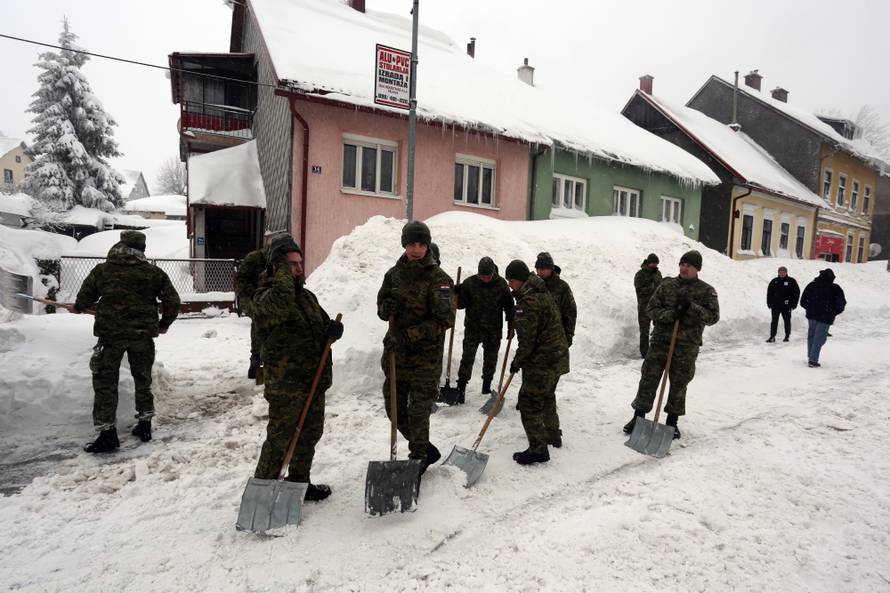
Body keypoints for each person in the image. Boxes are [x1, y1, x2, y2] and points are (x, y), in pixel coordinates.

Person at [250, 236, 343, 501]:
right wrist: (281, 274)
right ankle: (262, 495)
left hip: (313, 381)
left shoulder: (307, 297)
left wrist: (332, 331)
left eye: (300, 262)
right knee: (280, 440)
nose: (300, 268)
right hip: (287, 386)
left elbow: (320, 327)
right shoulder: (265, 298)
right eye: (291, 264)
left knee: (309, 435)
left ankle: (299, 484)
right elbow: (280, 304)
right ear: (277, 267)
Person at [74, 230, 181, 453]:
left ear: (120, 245)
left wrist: (79, 306)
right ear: (142, 249)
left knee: (105, 383)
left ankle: (107, 434)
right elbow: (173, 300)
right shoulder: (153, 273)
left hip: (110, 336)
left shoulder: (103, 270)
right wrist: (164, 323)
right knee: (143, 380)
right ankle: (145, 425)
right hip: (142, 336)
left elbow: (85, 297)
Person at [376, 221, 455, 472]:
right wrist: (385, 308)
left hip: (425, 360)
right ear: (404, 244)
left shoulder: (439, 279)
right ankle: (424, 447)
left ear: (427, 246)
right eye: (411, 244)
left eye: (421, 244)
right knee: (394, 410)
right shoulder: (393, 275)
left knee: (419, 413)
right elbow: (381, 307)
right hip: (397, 357)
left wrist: (408, 335)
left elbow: (444, 320)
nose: (416, 249)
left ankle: (419, 456)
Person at [623, 250, 719, 439]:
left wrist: (692, 307)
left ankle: (672, 423)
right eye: (682, 264)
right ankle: (638, 417)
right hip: (660, 342)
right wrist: (671, 314)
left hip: (686, 346)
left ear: (697, 268)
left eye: (689, 265)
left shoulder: (706, 291)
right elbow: (651, 309)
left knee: (679, 384)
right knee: (648, 378)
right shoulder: (666, 285)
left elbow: (713, 317)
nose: (684, 268)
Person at [505, 259, 569, 464]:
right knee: (547, 394)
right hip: (556, 355)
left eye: (511, 280)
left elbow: (527, 342)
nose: (509, 285)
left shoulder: (528, 302)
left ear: (520, 280)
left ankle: (538, 448)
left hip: (543, 359)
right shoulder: (541, 291)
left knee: (528, 401)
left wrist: (517, 361)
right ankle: (552, 434)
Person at [456, 256, 515, 399]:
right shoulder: (469, 283)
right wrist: (456, 294)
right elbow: (460, 305)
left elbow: (509, 305)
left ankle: (486, 386)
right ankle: (461, 388)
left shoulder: (501, 284)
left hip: (493, 330)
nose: (486, 279)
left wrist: (511, 325)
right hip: (473, 328)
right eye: (483, 276)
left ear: (493, 273)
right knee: (467, 358)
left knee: (491, 358)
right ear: (478, 274)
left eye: (488, 276)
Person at [800, 269, 846, 368]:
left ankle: (811, 356)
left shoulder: (811, 285)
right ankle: (813, 360)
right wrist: (833, 312)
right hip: (825, 317)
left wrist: (810, 308)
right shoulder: (835, 288)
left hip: (812, 315)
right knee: (820, 338)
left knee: (812, 336)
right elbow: (841, 304)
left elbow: (803, 301)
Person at [634, 253, 662, 357]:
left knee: (659, 329)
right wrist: (653, 287)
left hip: (657, 306)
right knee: (644, 331)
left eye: (656, 264)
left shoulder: (658, 274)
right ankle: (645, 353)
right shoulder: (640, 274)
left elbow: (661, 288)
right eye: (653, 263)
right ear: (648, 263)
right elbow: (640, 290)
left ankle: (657, 350)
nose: (655, 265)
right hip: (644, 307)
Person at [766, 266, 800, 343]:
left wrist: (794, 304)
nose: (781, 273)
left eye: (783, 272)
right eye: (780, 272)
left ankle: (787, 336)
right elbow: (769, 293)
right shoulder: (774, 281)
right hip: (775, 305)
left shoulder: (791, 281)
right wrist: (769, 303)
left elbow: (796, 293)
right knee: (774, 321)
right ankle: (772, 336)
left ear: (786, 272)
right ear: (778, 273)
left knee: (787, 321)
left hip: (786, 306)